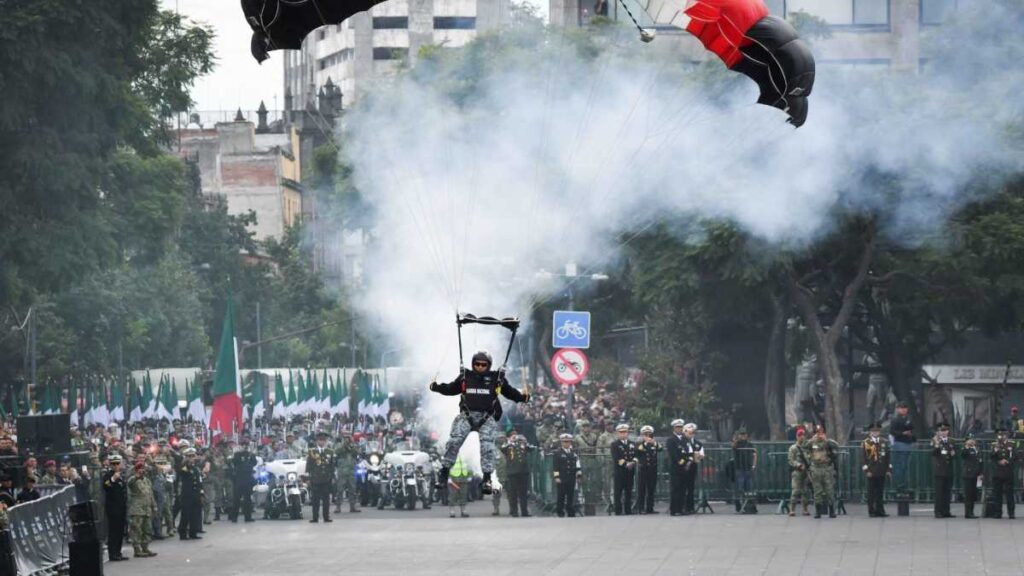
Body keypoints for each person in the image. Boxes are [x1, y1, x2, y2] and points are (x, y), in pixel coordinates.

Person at [429, 350, 530, 494]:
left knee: (487, 447)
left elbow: (509, 392)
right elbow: (451, 388)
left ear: (488, 365)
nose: (480, 367)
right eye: (477, 364)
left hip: (486, 417)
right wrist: (437, 387)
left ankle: (487, 478)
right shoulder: (465, 377)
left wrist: (522, 397)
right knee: (454, 442)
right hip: (467, 415)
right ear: (473, 364)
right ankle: (444, 473)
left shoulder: (496, 378)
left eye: (484, 365)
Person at [805, 425, 838, 518]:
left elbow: (836, 446)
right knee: (817, 490)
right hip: (816, 468)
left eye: (821, 432)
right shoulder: (812, 442)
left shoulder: (827, 442)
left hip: (826, 468)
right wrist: (812, 439)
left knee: (829, 490)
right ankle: (818, 511)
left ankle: (831, 511)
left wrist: (827, 440)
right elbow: (805, 446)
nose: (819, 434)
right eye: (817, 432)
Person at [127, 460, 158, 558]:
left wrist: (154, 506)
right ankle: (137, 549)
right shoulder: (133, 479)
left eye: (143, 469)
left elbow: (150, 494)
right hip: (137, 509)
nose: (142, 471)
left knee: (147, 529)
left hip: (147, 508)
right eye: (140, 469)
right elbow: (129, 483)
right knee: (136, 529)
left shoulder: (147, 480)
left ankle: (145, 547)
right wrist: (136, 476)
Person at [499, 430, 532, 517]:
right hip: (512, 473)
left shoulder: (522, 445)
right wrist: (510, 441)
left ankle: (524, 511)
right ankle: (514, 511)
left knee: (523, 493)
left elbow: (531, 448)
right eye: (513, 436)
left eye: (516, 436)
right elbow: (502, 449)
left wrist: (524, 441)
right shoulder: (508, 446)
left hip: (523, 472)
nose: (515, 437)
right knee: (513, 493)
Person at [861, 422, 891, 517]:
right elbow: (863, 459)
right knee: (871, 492)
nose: (875, 432)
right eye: (873, 431)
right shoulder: (866, 442)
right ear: (870, 432)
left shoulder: (884, 442)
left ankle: (880, 510)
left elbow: (888, 458)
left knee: (880, 492)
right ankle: (871, 510)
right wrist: (866, 471)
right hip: (872, 470)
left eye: (877, 431)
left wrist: (888, 470)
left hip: (881, 470)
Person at [103, 454, 129, 561]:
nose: (116, 466)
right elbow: (105, 486)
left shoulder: (121, 476)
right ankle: (112, 554)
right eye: (113, 464)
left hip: (121, 507)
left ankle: (118, 552)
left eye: (117, 463)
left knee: (120, 531)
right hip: (113, 508)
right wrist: (113, 479)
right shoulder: (108, 475)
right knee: (113, 531)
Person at [576, 420, 604, 514]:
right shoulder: (578, 437)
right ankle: (584, 497)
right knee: (583, 480)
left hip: (592, 459)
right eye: (584, 426)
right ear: (581, 428)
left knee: (593, 480)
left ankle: (593, 498)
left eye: (588, 426)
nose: (586, 428)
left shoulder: (594, 437)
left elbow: (597, 448)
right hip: (583, 460)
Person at [989, 425, 1017, 519]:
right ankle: (998, 512)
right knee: (997, 493)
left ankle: (1011, 512)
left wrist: (1007, 461)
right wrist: (996, 454)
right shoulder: (994, 444)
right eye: (1000, 435)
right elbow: (991, 458)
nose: (1001, 436)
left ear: (1006, 435)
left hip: (1008, 471)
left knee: (1009, 493)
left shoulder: (1012, 444)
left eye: (1003, 434)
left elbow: (1015, 456)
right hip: (998, 471)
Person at [307, 432, 336, 523]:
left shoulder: (330, 452)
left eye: (323, 440)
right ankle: (315, 517)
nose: (322, 442)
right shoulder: (312, 452)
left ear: (326, 441)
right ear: (317, 441)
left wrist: (333, 477)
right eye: (320, 440)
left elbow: (332, 466)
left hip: (326, 479)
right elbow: (309, 465)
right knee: (315, 500)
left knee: (326, 500)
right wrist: (308, 478)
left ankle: (326, 517)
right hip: (315, 479)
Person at [177, 448, 204, 540]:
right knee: (186, 514)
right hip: (187, 494)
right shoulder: (184, 467)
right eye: (190, 456)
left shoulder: (195, 468)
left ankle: (193, 532)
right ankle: (182, 533)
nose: (192, 458)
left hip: (196, 494)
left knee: (195, 514)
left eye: (193, 456)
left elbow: (199, 481)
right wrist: (186, 461)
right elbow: (181, 470)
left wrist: (201, 492)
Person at [333, 430, 362, 514]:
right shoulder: (339, 445)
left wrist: (351, 446)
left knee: (352, 489)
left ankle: (352, 506)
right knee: (340, 490)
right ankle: (338, 507)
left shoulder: (353, 446)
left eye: (348, 437)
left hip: (351, 470)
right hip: (342, 471)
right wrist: (344, 446)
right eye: (345, 437)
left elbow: (357, 453)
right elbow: (336, 452)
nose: (347, 439)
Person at [229, 439, 258, 523]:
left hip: (248, 478)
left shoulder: (250, 454)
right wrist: (237, 453)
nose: (245, 446)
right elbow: (234, 462)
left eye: (246, 445)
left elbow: (254, 463)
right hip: (239, 478)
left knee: (247, 499)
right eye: (243, 444)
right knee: (236, 499)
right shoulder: (237, 454)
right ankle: (234, 517)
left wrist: (251, 454)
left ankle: (248, 517)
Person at [610, 423, 636, 515]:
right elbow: (616, 458)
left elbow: (636, 455)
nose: (623, 434)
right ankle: (618, 510)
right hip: (620, 471)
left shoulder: (632, 444)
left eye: (625, 432)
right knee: (618, 492)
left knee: (628, 491)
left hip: (630, 471)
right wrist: (626, 463)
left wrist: (633, 462)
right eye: (621, 432)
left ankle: (628, 510)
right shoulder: (614, 444)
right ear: (618, 433)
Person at [553, 433, 581, 518]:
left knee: (570, 495)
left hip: (571, 477)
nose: (566, 443)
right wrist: (556, 477)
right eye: (565, 442)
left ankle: (570, 511)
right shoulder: (558, 453)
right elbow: (555, 467)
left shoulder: (574, 453)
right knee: (561, 495)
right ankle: (560, 511)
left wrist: (579, 475)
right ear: (561, 442)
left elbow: (578, 464)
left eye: (568, 442)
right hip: (562, 477)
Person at [635, 425, 661, 514]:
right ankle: (641, 508)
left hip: (652, 468)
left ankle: (650, 507)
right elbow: (639, 450)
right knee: (642, 489)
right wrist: (646, 443)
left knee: (651, 489)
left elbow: (660, 448)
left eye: (649, 434)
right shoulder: (639, 443)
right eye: (645, 434)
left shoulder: (653, 443)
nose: (648, 436)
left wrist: (654, 443)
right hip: (643, 468)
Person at [931, 423, 956, 518]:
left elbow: (954, 454)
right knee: (939, 492)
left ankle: (946, 511)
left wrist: (954, 454)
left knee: (947, 492)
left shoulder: (951, 441)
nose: (944, 432)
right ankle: (938, 511)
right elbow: (933, 453)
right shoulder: (936, 441)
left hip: (948, 469)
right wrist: (937, 445)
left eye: (945, 430)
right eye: (942, 430)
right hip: (939, 469)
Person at [889, 401, 915, 491]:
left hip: (908, 443)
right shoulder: (895, 419)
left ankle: (906, 484)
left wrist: (912, 437)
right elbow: (892, 431)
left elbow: (913, 429)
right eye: (901, 408)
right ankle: (900, 484)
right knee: (900, 465)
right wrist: (902, 433)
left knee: (906, 465)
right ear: (898, 409)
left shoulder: (909, 418)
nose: (904, 410)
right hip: (899, 443)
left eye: (905, 408)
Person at [731, 428, 757, 513]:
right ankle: (738, 504)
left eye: (744, 434)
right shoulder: (737, 444)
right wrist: (735, 440)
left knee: (748, 488)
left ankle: (748, 506)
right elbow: (733, 446)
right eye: (741, 434)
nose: (743, 436)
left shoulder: (749, 444)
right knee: (739, 488)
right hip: (739, 468)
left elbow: (754, 454)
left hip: (748, 468)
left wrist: (753, 465)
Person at [787, 428, 811, 516]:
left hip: (806, 472)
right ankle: (792, 509)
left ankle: (805, 509)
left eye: (803, 435)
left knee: (805, 491)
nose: (801, 437)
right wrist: (798, 465)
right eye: (800, 435)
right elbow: (790, 460)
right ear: (797, 437)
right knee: (795, 491)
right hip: (797, 472)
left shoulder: (807, 447)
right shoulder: (793, 448)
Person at [961, 437, 982, 519]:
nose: (972, 441)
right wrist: (967, 446)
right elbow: (963, 455)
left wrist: (980, 473)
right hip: (968, 474)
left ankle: (971, 512)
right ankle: (968, 512)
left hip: (976, 474)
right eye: (970, 440)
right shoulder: (965, 449)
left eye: (973, 439)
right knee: (968, 495)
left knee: (973, 494)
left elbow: (980, 461)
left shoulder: (977, 449)